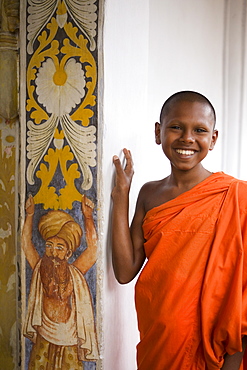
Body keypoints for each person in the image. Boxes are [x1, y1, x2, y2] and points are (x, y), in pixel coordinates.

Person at [111, 91, 247, 370]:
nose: (187, 138)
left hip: (215, 348)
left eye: (199, 130)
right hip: (158, 334)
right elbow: (125, 271)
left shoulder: (235, 196)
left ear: (213, 138)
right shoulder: (149, 194)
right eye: (176, 127)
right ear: (159, 132)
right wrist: (121, 197)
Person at [22, 194, 99, 369]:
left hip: (69, 338)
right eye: (49, 246)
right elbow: (26, 244)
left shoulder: (74, 273)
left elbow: (93, 250)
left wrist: (88, 217)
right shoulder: (41, 268)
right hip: (43, 335)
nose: (52, 253)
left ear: (68, 253)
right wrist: (29, 215)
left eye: (59, 248)